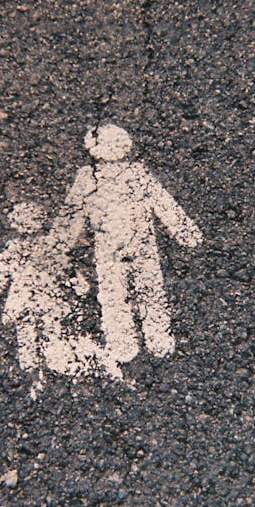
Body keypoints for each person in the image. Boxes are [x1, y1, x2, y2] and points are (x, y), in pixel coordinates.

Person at [52, 124, 202, 363]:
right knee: (124, 291)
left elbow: (162, 201)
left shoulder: (133, 173)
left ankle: (147, 337)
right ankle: (136, 339)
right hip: (117, 246)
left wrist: (57, 246)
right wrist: (186, 233)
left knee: (134, 289)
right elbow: (72, 214)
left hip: (134, 243)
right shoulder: (91, 176)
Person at [0, 202, 120, 396]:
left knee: (30, 340)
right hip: (48, 303)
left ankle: (39, 377)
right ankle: (51, 373)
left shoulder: (16, 249)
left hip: (26, 303)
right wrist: (81, 287)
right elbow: (69, 272)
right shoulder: (48, 247)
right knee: (45, 336)